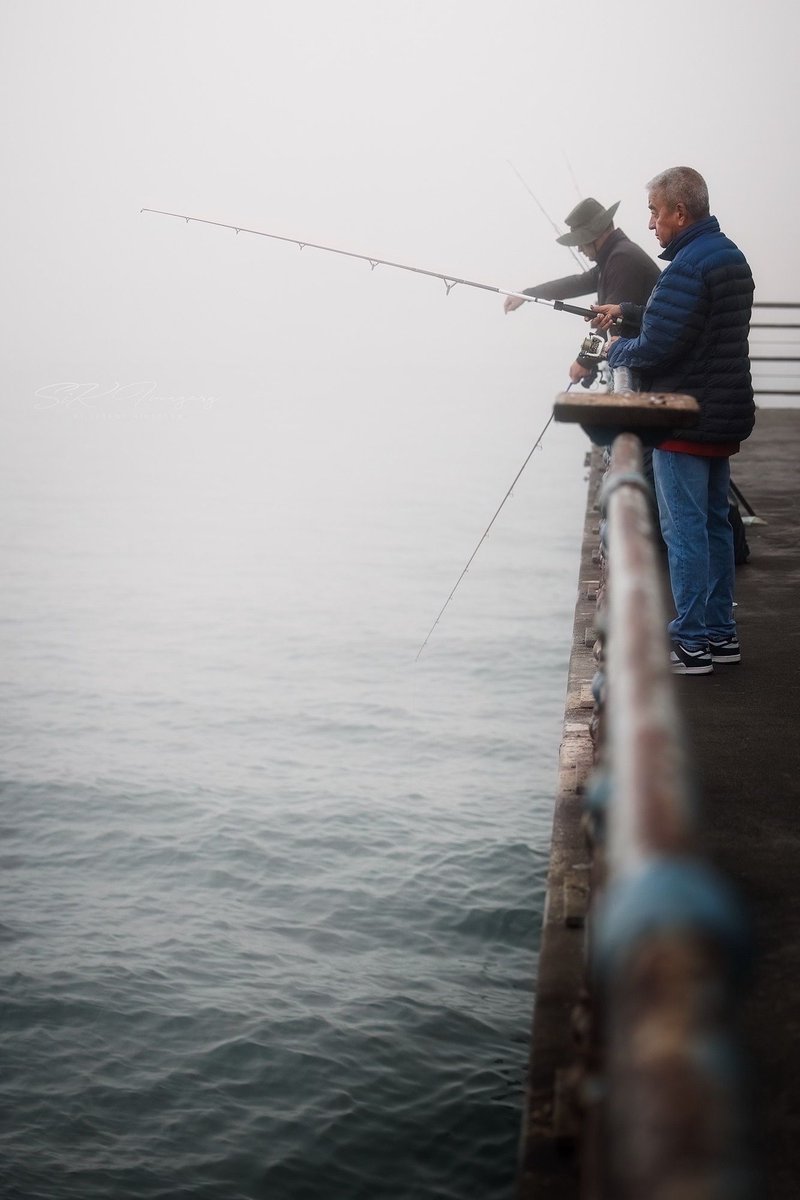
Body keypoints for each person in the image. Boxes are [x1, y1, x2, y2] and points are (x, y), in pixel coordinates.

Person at [592, 166, 755, 676]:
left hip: (683, 420)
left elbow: (661, 343)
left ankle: (689, 643)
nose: (651, 224)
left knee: (684, 531)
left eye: (655, 213)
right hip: (721, 414)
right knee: (713, 526)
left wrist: (619, 350)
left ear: (679, 213)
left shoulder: (686, 267)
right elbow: (689, 324)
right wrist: (632, 311)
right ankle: (720, 635)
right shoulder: (728, 256)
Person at [504, 196, 661, 383]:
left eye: (582, 241)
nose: (579, 249)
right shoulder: (613, 258)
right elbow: (575, 283)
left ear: (598, 235)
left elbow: (607, 323)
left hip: (655, 368)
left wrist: (584, 360)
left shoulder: (622, 260)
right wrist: (528, 294)